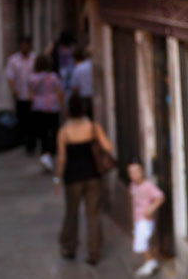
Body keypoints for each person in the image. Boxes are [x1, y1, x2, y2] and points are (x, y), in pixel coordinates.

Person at [55, 95, 112, 265]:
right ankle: (93, 252)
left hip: (72, 178)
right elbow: (108, 147)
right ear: (84, 108)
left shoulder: (64, 131)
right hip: (93, 176)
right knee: (93, 214)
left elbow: (61, 158)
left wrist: (57, 179)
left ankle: (69, 247)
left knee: (71, 213)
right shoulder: (93, 127)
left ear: (68, 110)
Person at [127, 160, 164, 277]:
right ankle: (150, 261)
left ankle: (150, 262)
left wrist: (151, 209)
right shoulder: (132, 185)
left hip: (145, 219)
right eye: (131, 172)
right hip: (138, 219)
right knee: (143, 242)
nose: (135, 174)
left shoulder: (148, 186)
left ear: (142, 171)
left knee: (141, 243)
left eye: (137, 171)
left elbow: (160, 197)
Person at [29, 54, 65, 171]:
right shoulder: (53, 77)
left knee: (43, 133)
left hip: (38, 108)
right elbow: (59, 93)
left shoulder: (32, 78)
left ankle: (45, 154)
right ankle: (51, 153)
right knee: (54, 131)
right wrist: (63, 108)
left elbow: (30, 96)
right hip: (53, 107)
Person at [4, 37, 36, 154]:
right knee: (23, 120)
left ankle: (31, 143)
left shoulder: (34, 58)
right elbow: (10, 77)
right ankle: (25, 142)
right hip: (21, 95)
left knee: (32, 121)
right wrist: (14, 91)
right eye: (22, 45)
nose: (24, 48)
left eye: (26, 45)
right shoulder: (13, 60)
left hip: (33, 96)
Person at [69, 45, 94, 121]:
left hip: (83, 98)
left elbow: (74, 87)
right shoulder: (92, 66)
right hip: (93, 96)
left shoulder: (78, 69)